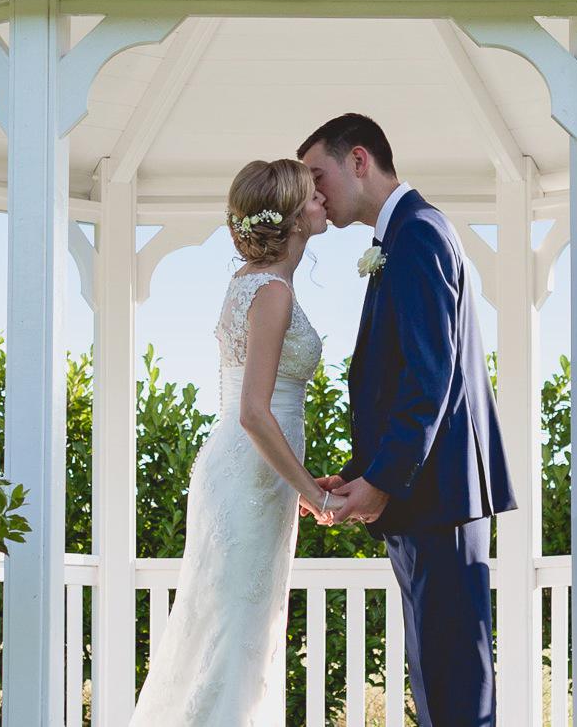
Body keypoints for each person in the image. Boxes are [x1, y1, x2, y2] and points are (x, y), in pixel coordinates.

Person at [299, 112, 515, 727]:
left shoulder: (419, 233)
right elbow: (403, 385)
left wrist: (382, 482)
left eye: (320, 176)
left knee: (454, 694)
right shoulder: (403, 237)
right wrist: (359, 475)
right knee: (438, 688)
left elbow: (430, 379)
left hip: (438, 498)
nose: (316, 195)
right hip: (423, 497)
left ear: (358, 160)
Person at [125, 159, 337, 727]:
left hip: (251, 473)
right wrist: (314, 495)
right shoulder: (270, 292)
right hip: (252, 473)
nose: (324, 203)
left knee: (234, 624)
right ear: (294, 218)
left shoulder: (252, 282)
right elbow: (253, 412)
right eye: (314, 198)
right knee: (238, 627)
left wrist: (299, 483)